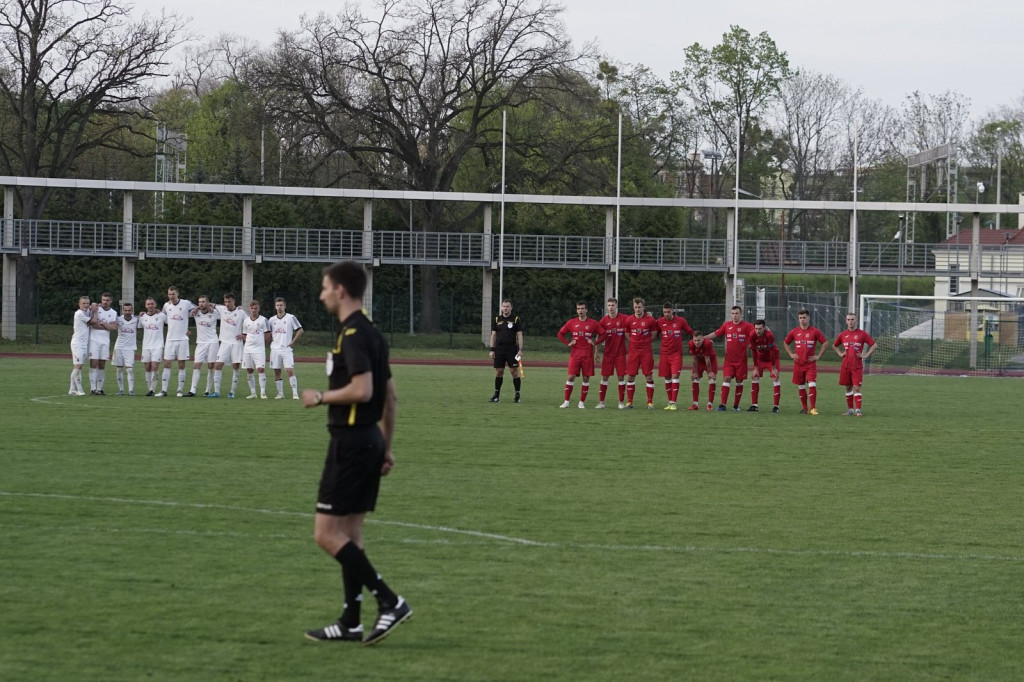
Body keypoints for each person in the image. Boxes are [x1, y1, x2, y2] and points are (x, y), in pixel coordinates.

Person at [301, 260, 411, 646]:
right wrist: (386, 447)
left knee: (326, 533)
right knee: (351, 532)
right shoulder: (375, 334)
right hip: (369, 441)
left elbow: (364, 391)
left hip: (349, 443)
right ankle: (351, 621)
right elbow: (391, 398)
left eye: (325, 287)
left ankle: (390, 600)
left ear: (341, 291)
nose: (322, 294)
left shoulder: (352, 334)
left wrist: (321, 397)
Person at [704, 306, 755, 412]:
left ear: (741, 314)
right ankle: (723, 404)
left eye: (736, 313)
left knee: (739, 381)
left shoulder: (748, 326)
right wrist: (703, 338)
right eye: (732, 313)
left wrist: (756, 341)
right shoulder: (727, 325)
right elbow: (716, 333)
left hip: (741, 360)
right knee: (726, 379)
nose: (734, 315)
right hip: (729, 360)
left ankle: (736, 406)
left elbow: (758, 332)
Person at [556, 301, 601, 408]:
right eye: (578, 309)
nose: (580, 311)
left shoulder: (593, 323)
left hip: (587, 355)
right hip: (575, 355)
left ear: (586, 310)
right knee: (571, 376)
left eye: (582, 309)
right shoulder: (571, 322)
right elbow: (560, 334)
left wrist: (595, 343)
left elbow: (603, 334)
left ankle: (581, 403)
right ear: (576, 310)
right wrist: (568, 343)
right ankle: (566, 401)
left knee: (586, 378)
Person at [784, 308, 828, 415]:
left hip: (810, 364)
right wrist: (791, 354)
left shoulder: (814, 331)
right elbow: (786, 343)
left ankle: (813, 408)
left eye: (804, 317)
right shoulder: (794, 331)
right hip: (798, 364)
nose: (802, 320)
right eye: (800, 318)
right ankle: (805, 408)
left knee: (812, 384)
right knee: (801, 385)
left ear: (809, 318)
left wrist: (818, 356)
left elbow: (825, 342)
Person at [833, 312, 876, 416]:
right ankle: (850, 409)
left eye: (852, 319)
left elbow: (874, 345)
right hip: (846, 365)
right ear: (846, 321)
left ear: (856, 321)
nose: (850, 322)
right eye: (848, 319)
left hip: (857, 366)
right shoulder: (843, 334)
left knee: (856, 387)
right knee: (848, 387)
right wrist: (840, 353)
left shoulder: (862, 334)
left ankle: (858, 410)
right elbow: (834, 346)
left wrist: (865, 355)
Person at [656, 303, 695, 410]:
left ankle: (673, 402)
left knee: (675, 377)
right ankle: (669, 402)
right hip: (664, 354)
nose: (666, 314)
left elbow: (690, 332)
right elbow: (653, 332)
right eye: (665, 312)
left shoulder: (681, 321)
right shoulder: (659, 322)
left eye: (668, 312)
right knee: (667, 378)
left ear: (673, 311)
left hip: (676, 354)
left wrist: (702, 339)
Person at [158, 286, 195, 397]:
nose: (171, 296)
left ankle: (179, 390)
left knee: (181, 364)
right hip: (170, 339)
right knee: (167, 363)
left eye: (173, 294)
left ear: (177, 293)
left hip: (182, 339)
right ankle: (163, 390)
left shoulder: (186, 303)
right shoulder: (166, 305)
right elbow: (164, 317)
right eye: (169, 294)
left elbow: (195, 310)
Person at [595, 298, 630, 409]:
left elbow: (635, 321)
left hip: (620, 353)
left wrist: (647, 315)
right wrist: (596, 352)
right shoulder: (603, 321)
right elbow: (598, 336)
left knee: (621, 377)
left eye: (612, 305)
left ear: (616, 306)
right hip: (608, 354)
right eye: (609, 305)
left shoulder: (624, 318)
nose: (610, 307)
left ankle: (620, 402)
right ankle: (601, 402)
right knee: (605, 377)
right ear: (607, 307)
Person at [624, 297, 658, 409]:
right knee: (630, 376)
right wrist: (634, 342)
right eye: (635, 307)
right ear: (633, 307)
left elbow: (653, 334)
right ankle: (629, 402)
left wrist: (645, 342)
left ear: (643, 307)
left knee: (648, 375)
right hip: (633, 351)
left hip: (646, 351)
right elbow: (627, 334)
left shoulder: (650, 320)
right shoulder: (629, 320)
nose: (637, 309)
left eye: (639, 307)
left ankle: (649, 402)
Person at [488, 299, 523, 403]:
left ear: (511, 307)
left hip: (512, 349)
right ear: (501, 307)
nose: (505, 308)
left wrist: (520, 350)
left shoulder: (516, 319)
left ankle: (517, 395)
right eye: (504, 306)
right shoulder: (496, 319)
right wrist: (491, 349)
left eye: (507, 306)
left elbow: (519, 335)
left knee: (514, 372)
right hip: (499, 349)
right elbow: (493, 335)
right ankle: (496, 396)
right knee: (499, 372)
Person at [212, 292, 247, 398]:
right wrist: (197, 308)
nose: (227, 304)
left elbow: (250, 323)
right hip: (224, 342)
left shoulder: (241, 312)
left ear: (234, 301)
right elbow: (210, 304)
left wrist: (244, 334)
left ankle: (232, 392)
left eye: (229, 301)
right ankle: (216, 391)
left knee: (235, 367)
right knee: (217, 365)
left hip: (236, 343)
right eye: (226, 301)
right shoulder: (222, 309)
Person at [269, 297, 304, 399]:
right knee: (277, 371)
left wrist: (293, 342)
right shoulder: (271, 320)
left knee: (289, 370)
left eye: (281, 305)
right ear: (275, 306)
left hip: (286, 349)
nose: (279, 307)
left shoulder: (291, 317)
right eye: (278, 305)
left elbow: (300, 330)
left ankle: (295, 393)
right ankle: (280, 394)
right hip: (275, 349)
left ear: (285, 306)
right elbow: (268, 333)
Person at [186, 295, 220, 397]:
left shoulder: (215, 313)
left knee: (211, 366)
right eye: (200, 302)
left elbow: (226, 312)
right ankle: (193, 390)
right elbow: (181, 315)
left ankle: (207, 389)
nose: (201, 304)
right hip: (200, 343)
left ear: (208, 303)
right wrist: (195, 308)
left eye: (204, 302)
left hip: (213, 342)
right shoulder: (196, 313)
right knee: (196, 365)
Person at [88, 291, 118, 395]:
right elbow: (94, 325)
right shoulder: (96, 309)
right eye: (103, 300)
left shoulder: (114, 313)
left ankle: (100, 389)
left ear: (111, 301)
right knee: (93, 362)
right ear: (101, 300)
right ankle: (93, 388)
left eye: (107, 300)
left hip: (105, 341)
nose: (105, 302)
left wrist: (103, 323)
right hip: (94, 340)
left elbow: (114, 327)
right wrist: (107, 326)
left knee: (102, 364)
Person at [749, 319, 782, 413]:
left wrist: (774, 368)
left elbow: (771, 352)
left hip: (772, 359)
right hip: (760, 359)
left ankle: (776, 406)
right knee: (754, 377)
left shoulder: (769, 335)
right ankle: (754, 405)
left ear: (764, 328)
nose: (757, 331)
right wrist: (755, 367)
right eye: (756, 328)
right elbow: (753, 351)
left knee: (775, 378)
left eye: (760, 328)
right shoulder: (752, 335)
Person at [241, 300, 271, 399]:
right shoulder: (246, 321)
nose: (254, 310)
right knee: (249, 370)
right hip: (248, 350)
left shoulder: (263, 320)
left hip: (259, 350)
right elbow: (245, 335)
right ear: (249, 309)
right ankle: (253, 393)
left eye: (256, 308)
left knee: (260, 369)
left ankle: (262, 393)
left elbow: (267, 334)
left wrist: (262, 344)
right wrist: (248, 342)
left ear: (259, 309)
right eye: (252, 308)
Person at [138, 297, 167, 396]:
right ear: (145, 306)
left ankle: (152, 389)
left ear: (155, 304)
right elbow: (138, 328)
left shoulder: (162, 316)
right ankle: (149, 388)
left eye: (152, 304)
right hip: (146, 346)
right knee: (147, 367)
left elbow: (173, 323)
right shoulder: (142, 317)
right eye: (148, 304)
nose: (150, 306)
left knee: (154, 366)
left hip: (158, 345)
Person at [112, 302, 140, 396]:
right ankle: (121, 390)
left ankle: (131, 390)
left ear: (132, 311)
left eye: (129, 310)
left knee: (129, 370)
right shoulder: (118, 319)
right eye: (125, 310)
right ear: (122, 311)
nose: (127, 312)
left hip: (130, 348)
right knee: (119, 369)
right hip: (119, 347)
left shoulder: (137, 319)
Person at [68, 295, 94, 396]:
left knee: (79, 366)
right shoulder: (79, 314)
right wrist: (95, 312)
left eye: (87, 303)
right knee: (78, 366)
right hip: (78, 343)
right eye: (83, 303)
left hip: (84, 343)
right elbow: (93, 321)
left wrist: (95, 306)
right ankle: (79, 389)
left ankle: (71, 389)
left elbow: (93, 308)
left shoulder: (86, 312)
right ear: (79, 304)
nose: (86, 305)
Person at [687, 330, 718, 410]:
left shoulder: (707, 343)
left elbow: (707, 359)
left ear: (703, 339)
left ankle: (709, 404)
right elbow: (694, 359)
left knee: (711, 379)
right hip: (699, 361)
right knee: (695, 379)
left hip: (711, 361)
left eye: (699, 340)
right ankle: (695, 404)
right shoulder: (691, 344)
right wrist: (696, 372)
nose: (697, 342)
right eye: (695, 340)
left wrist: (710, 372)